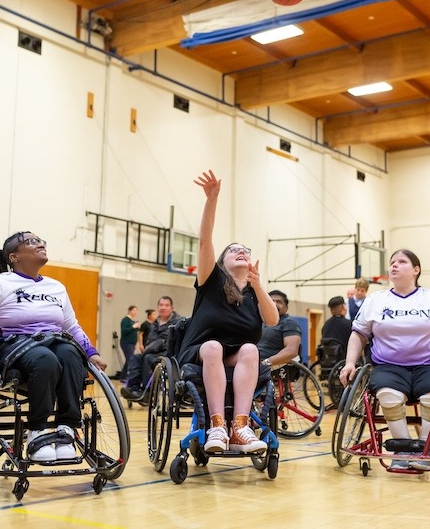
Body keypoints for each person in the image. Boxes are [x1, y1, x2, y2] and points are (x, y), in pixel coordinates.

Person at [0, 231, 107, 462]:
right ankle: (37, 430)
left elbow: (72, 327)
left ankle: (66, 429)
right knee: (45, 359)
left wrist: (91, 352)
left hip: (54, 342)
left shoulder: (56, 287)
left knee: (71, 354)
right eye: (31, 242)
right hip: (11, 346)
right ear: (14, 257)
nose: (40, 243)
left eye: (41, 241)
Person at [339, 249, 430, 471]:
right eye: (392, 262)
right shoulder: (376, 300)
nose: (394, 265)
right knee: (387, 394)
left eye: (401, 262)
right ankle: (404, 450)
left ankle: (425, 449)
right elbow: (358, 334)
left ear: (416, 270)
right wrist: (349, 362)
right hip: (389, 367)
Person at [176, 170, 279, 454]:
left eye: (245, 249)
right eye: (234, 249)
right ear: (222, 261)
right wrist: (212, 199)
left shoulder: (253, 291)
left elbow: (272, 320)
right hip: (201, 350)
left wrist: (258, 286)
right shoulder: (212, 281)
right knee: (212, 347)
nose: (241, 251)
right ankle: (217, 425)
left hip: (233, 354)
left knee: (250, 350)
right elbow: (204, 241)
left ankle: (240, 427)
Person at [120, 296, 182, 400]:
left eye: (166, 305)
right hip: (153, 351)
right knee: (136, 357)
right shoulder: (155, 323)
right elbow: (150, 340)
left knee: (148, 358)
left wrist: (148, 349)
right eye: (161, 305)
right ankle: (133, 388)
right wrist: (149, 348)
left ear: (172, 308)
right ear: (158, 307)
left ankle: (147, 392)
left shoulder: (177, 322)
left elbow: (164, 342)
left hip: (169, 354)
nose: (163, 307)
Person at [257, 290, 301, 368]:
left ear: (286, 308)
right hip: (252, 362)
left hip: (269, 366)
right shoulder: (259, 322)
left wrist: (266, 362)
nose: (274, 304)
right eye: (271, 301)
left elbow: (291, 351)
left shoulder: (288, 323)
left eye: (279, 302)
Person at [118, 305, 141, 381]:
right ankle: (130, 377)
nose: (135, 312)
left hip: (131, 343)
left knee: (129, 360)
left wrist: (135, 344)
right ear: (129, 310)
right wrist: (133, 327)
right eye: (134, 310)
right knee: (130, 360)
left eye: (136, 310)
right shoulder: (125, 320)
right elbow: (124, 331)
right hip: (126, 342)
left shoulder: (132, 321)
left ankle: (123, 377)